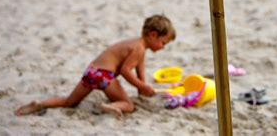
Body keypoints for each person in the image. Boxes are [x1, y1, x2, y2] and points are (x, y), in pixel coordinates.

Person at [14, 15, 175, 119]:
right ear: (153, 35)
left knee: (69, 101)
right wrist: (142, 86)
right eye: (163, 43)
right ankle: (110, 106)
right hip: (104, 76)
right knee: (128, 104)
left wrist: (143, 88)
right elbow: (126, 71)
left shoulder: (137, 46)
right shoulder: (138, 49)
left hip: (92, 72)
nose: (163, 47)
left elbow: (140, 75)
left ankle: (40, 104)